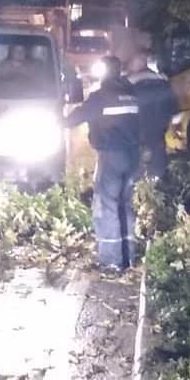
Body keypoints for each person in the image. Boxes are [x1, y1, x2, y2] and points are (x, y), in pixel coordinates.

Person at [65, 56, 143, 272]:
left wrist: (57, 121)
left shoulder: (100, 97)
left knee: (106, 205)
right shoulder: (132, 95)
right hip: (133, 156)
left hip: (111, 156)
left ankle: (111, 261)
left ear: (104, 73)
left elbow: (76, 117)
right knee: (125, 204)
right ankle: (129, 256)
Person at [123, 35, 178, 181]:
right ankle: (156, 185)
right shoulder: (162, 80)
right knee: (157, 166)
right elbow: (173, 108)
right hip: (158, 132)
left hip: (137, 135)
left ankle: (138, 189)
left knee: (135, 172)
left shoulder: (127, 85)